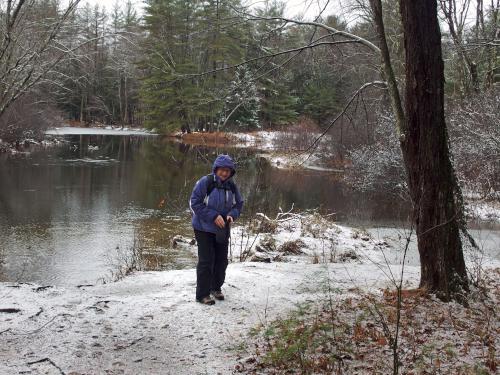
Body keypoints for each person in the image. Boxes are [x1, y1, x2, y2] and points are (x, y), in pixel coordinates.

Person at [189, 154, 244, 305]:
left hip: (221, 229)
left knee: (221, 260)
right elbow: (194, 203)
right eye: (222, 170)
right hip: (203, 227)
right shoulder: (205, 182)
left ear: (231, 172)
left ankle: (215, 288)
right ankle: (202, 294)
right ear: (216, 169)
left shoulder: (232, 186)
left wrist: (232, 215)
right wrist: (213, 216)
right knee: (206, 261)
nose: (225, 173)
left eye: (228, 171)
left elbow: (239, 204)